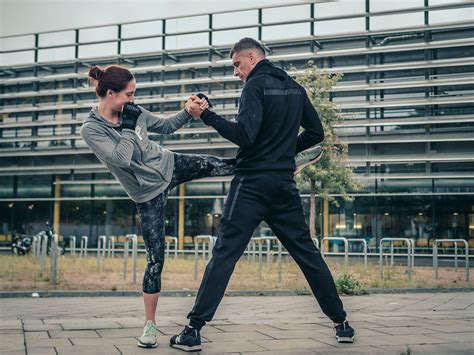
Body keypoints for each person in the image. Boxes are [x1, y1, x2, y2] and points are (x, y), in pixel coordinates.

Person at [170, 37, 355, 352]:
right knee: (307, 254)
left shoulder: (254, 87)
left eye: (236, 64)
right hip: (283, 185)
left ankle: (193, 330)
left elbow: (245, 136)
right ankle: (342, 324)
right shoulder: (295, 88)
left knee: (225, 254)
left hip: (252, 185)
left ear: (252, 57)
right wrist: (283, 153)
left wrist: (207, 116)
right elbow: (316, 133)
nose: (235, 72)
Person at [80, 64, 236, 348]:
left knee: (220, 164)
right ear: (111, 93)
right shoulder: (91, 129)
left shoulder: (134, 112)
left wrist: (189, 111)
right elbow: (122, 158)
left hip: (169, 163)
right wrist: (128, 124)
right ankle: (150, 326)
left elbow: (165, 126)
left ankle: (277, 166)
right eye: (129, 94)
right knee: (156, 260)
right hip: (146, 194)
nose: (133, 100)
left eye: (134, 93)